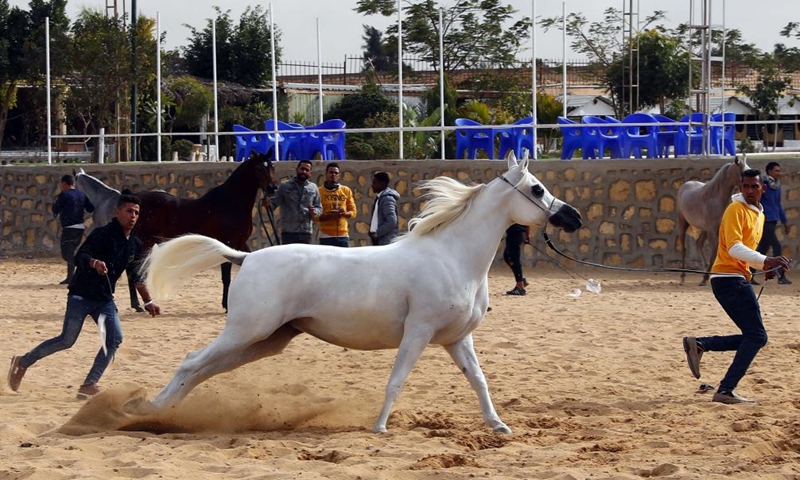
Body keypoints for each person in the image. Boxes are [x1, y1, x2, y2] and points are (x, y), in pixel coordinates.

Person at [7, 193, 161, 400]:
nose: (133, 216)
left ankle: (89, 385)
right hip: (81, 295)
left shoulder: (134, 243)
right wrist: (94, 263)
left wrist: (148, 301)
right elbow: (80, 256)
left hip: (104, 300)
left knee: (114, 339)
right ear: (118, 212)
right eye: (129, 211)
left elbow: (136, 275)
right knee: (66, 340)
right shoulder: (102, 234)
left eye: (136, 212)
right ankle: (22, 362)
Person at [682, 169, 791, 405]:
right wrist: (766, 261)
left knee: (756, 337)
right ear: (740, 188)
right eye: (746, 187)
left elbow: (746, 251)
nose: (750, 191)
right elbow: (733, 248)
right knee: (757, 336)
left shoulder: (758, 214)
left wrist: (765, 267)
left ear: (763, 188)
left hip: (737, 278)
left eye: (754, 186)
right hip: (727, 279)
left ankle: (701, 344)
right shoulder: (735, 210)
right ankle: (725, 389)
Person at [262, 160, 322, 245]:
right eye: (302, 169)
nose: (304, 171)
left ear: (310, 173)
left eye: (307, 170)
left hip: (306, 232)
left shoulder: (313, 187)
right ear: (297, 169)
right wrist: (267, 204)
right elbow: (273, 204)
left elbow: (319, 208)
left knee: (305, 258)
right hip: (289, 232)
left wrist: (314, 211)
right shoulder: (284, 186)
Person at [752, 162, 791, 285]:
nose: (778, 173)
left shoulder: (777, 186)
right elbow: (756, 201)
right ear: (769, 171)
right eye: (776, 171)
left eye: (779, 171)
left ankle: (749, 275)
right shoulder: (763, 185)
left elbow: (778, 205)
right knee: (777, 247)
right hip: (765, 220)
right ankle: (781, 276)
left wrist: (784, 222)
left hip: (772, 221)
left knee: (762, 249)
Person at [53, 174, 94, 285]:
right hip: (80, 228)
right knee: (70, 252)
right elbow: (91, 208)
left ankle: (84, 268)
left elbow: (56, 208)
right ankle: (70, 277)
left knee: (66, 254)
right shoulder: (82, 194)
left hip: (69, 229)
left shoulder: (64, 195)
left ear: (65, 184)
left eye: (62, 184)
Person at [317, 163, 357, 247]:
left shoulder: (346, 190)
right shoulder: (319, 191)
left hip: (343, 235)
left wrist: (345, 213)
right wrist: (329, 216)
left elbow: (353, 212)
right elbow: (315, 216)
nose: (333, 175)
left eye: (336, 173)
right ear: (326, 174)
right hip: (326, 236)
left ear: (339, 175)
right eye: (331, 172)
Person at [369, 171, 400, 245]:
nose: (372, 185)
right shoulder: (380, 197)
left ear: (382, 184)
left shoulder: (387, 199)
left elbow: (392, 221)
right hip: (379, 240)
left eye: (375, 183)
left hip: (385, 241)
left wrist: (378, 233)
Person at [504, 224, 531, 295]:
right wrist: (527, 235)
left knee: (514, 259)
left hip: (514, 233)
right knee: (507, 256)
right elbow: (527, 221)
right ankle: (521, 280)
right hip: (520, 233)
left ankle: (520, 287)